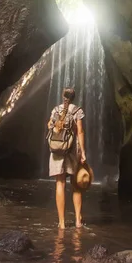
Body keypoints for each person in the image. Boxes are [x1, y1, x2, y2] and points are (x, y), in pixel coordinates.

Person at [47, 87, 86, 229]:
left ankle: (62, 223)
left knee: (60, 184)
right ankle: (77, 221)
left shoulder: (55, 110)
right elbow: (80, 132)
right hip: (71, 150)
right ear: (73, 97)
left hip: (57, 150)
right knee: (76, 185)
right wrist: (83, 152)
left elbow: (50, 125)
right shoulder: (77, 111)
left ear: (63, 96)